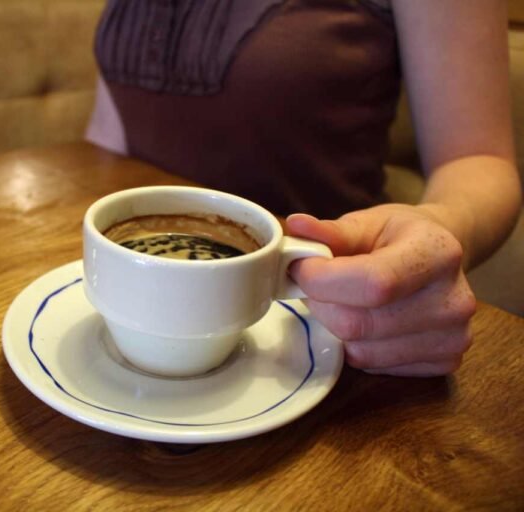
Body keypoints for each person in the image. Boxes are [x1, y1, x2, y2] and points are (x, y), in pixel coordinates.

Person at [85, 0, 522, 377]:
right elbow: (109, 137)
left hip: (322, 325)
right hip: (131, 285)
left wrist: (437, 231)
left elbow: (477, 158)